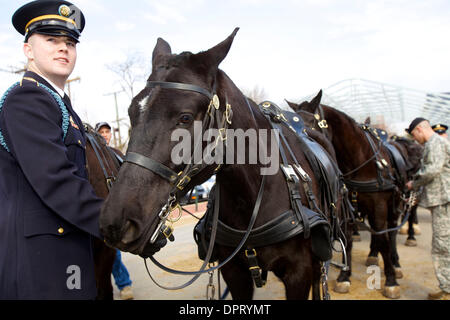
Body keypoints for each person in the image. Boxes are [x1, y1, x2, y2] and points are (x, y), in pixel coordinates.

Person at [0, 1, 103, 299]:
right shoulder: (26, 98)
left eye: (70, 42)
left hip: (64, 255)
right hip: (38, 265)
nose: (63, 48)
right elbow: (57, 181)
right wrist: (115, 223)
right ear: (28, 50)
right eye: (51, 39)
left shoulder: (55, 101)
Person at [405, 117, 450, 300]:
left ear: (419, 130)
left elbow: (432, 170)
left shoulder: (435, 143)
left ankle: (447, 289)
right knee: (443, 244)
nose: (415, 139)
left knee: (442, 246)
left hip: (443, 199)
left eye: (414, 135)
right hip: (440, 198)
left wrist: (413, 183)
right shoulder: (435, 142)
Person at [95, 121, 134, 300]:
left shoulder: (117, 155)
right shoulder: (91, 156)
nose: (104, 134)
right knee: (108, 254)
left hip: (115, 212)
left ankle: (124, 284)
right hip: (98, 212)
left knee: (112, 253)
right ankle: (122, 284)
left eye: (107, 131)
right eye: (101, 132)